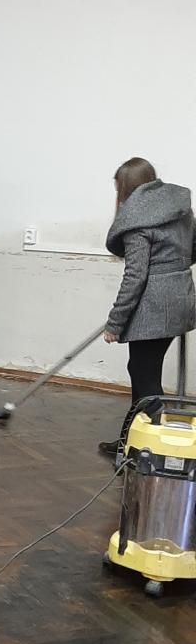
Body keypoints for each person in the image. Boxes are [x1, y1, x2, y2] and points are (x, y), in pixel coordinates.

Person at [99, 157, 196, 457]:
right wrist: (172, 272)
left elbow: (135, 276)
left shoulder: (137, 219)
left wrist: (115, 323)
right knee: (142, 368)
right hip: (180, 298)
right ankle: (129, 440)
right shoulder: (179, 208)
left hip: (153, 305)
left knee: (145, 375)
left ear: (125, 188)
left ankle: (156, 448)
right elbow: (193, 249)